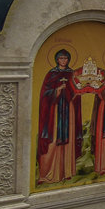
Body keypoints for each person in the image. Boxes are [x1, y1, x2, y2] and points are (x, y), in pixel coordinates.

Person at [37, 49, 83, 185]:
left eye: (66, 58)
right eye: (61, 58)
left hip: (69, 110)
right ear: (57, 59)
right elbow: (44, 94)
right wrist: (57, 90)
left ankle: (66, 172)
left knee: (69, 139)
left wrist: (76, 92)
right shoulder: (51, 74)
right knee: (53, 140)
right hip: (55, 112)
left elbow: (76, 91)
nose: (63, 60)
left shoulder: (72, 74)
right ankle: (48, 174)